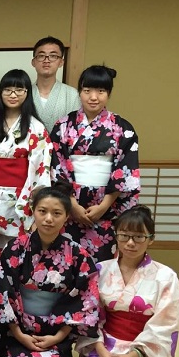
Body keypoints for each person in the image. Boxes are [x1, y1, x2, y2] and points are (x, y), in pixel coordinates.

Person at [68, 206, 179, 357]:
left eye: (139, 237)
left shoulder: (166, 277)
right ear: (116, 236)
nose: (130, 243)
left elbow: (166, 324)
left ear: (151, 239)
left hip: (144, 351)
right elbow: (90, 315)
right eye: (125, 235)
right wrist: (101, 350)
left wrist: (135, 355)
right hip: (104, 346)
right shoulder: (101, 270)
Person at [0, 184, 100, 357]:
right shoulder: (14, 248)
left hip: (56, 332)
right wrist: (19, 333)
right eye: (42, 211)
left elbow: (85, 299)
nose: (48, 219)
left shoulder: (78, 254)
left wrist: (58, 337)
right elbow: (2, 291)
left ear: (67, 217)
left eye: (57, 213)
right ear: (33, 211)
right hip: (18, 331)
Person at [49, 65, 140, 262]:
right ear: (79, 92)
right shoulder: (63, 126)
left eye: (101, 91)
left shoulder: (123, 128)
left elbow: (125, 170)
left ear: (109, 94)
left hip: (107, 209)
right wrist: (72, 204)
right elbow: (57, 166)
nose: (93, 97)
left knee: (104, 265)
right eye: (87, 90)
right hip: (69, 208)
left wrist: (104, 206)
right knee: (67, 262)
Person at [0, 69, 52, 251]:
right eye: (8, 90)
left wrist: (35, 204)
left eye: (19, 90)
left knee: (16, 250)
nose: (13, 95)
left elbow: (41, 170)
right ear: (1, 92)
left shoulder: (36, 128)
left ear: (27, 93)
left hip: (21, 197)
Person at [30, 36, 79, 132]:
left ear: (61, 62)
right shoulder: (24, 94)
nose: (46, 60)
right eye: (41, 56)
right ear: (33, 62)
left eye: (53, 56)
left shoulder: (73, 95)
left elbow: (76, 128)